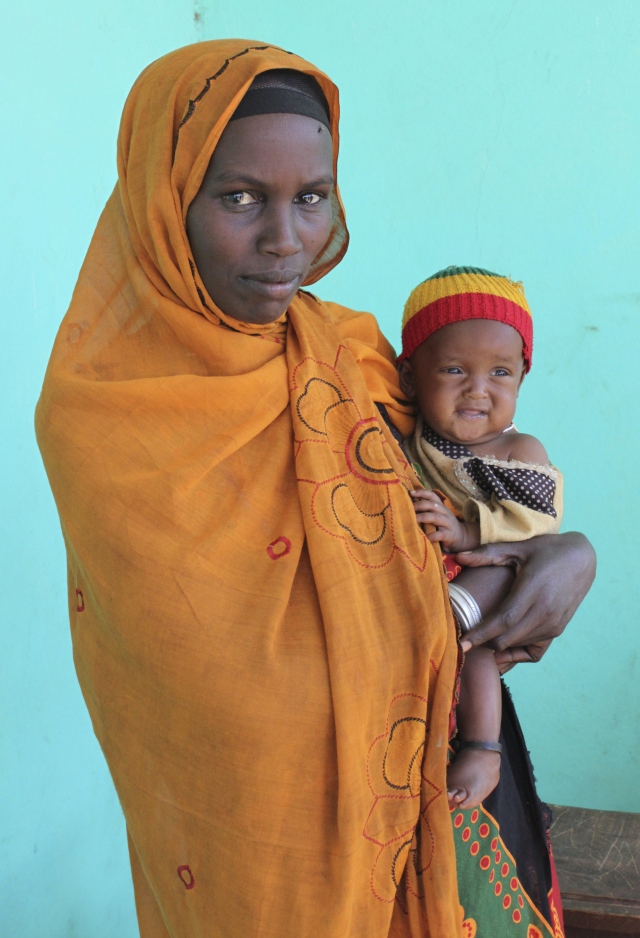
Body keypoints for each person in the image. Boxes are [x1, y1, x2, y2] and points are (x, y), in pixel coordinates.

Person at [35, 41, 595, 938]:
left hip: (447, 782)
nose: (285, 239)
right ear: (162, 198)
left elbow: (468, 506)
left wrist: (569, 551)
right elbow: (195, 666)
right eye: (240, 197)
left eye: (312, 197)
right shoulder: (103, 411)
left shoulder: (348, 349)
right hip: (254, 847)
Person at [398, 266, 569, 934]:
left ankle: (482, 750)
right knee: (461, 643)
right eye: (455, 372)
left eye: (501, 373)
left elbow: (538, 521)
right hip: (435, 612)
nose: (479, 390)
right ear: (412, 375)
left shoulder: (516, 450)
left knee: (471, 648)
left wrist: (468, 532)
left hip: (489, 595)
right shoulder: (414, 444)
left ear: (523, 377)